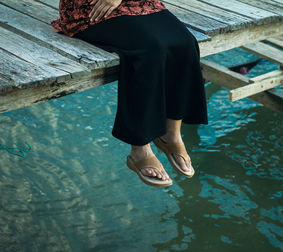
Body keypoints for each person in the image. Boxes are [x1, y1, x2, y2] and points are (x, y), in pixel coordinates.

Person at [51, 0, 208, 187]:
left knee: (185, 43)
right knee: (150, 49)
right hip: (91, 6)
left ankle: (171, 136)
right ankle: (139, 150)